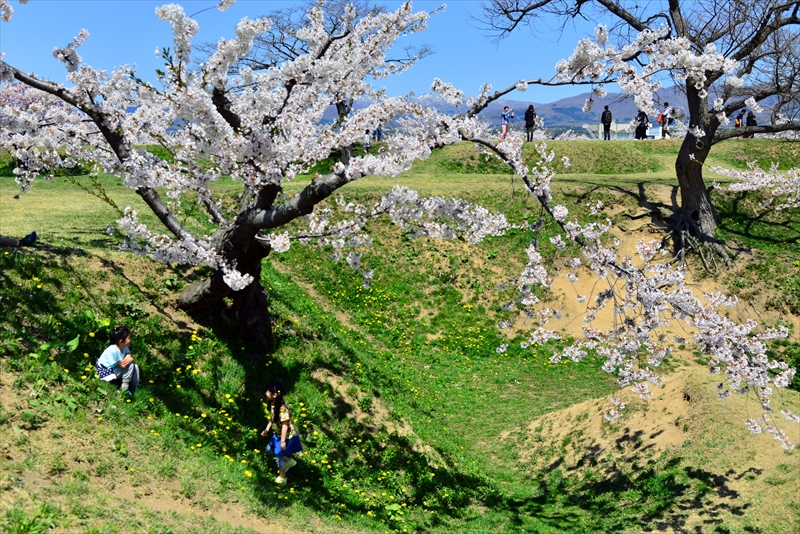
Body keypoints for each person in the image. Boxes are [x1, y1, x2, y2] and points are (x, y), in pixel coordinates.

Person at [261, 381, 303, 485]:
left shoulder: (282, 409)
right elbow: (272, 419)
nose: (266, 393)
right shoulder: (273, 404)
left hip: (286, 436)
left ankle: (283, 478)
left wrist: (283, 442)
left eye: (267, 391)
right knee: (269, 449)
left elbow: (285, 426)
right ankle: (288, 462)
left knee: (279, 455)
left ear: (274, 394)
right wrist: (267, 429)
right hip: (278, 434)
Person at [96, 326, 140, 396]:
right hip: (106, 371)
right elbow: (123, 366)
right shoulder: (113, 350)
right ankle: (124, 387)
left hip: (115, 368)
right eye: (129, 338)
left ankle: (135, 387)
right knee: (130, 365)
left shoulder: (124, 347)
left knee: (135, 366)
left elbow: (128, 354)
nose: (130, 340)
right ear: (121, 341)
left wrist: (129, 356)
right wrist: (131, 359)